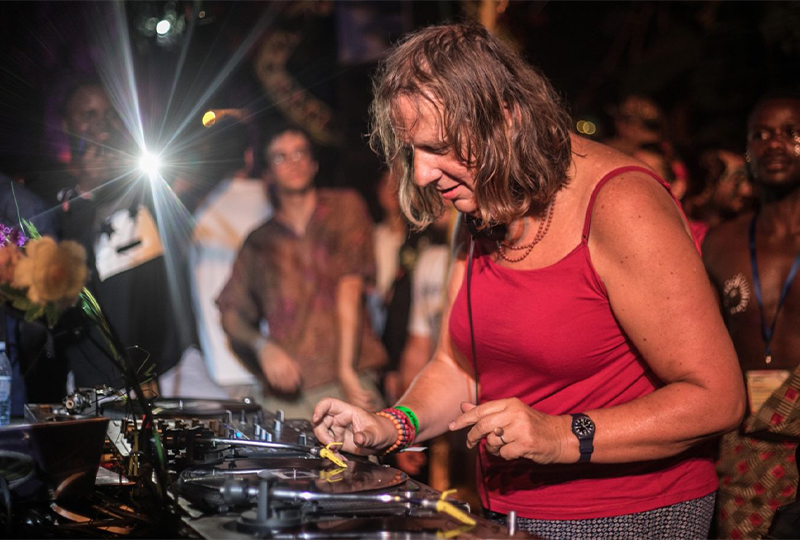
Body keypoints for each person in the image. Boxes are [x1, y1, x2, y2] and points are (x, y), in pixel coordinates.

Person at [313, 23, 744, 538]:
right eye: (413, 151)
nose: (423, 173)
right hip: (508, 512)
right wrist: (390, 426)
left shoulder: (622, 205)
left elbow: (717, 397)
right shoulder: (483, 201)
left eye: (439, 147)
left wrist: (560, 435)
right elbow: (457, 366)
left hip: (629, 516)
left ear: (506, 119)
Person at [217, 125, 387, 419]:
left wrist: (346, 370)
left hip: (350, 377)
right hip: (290, 391)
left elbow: (350, 286)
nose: (293, 163)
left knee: (365, 448)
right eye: (280, 157)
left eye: (299, 153)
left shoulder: (344, 208)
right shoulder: (259, 242)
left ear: (313, 162)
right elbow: (230, 311)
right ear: (268, 173)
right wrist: (262, 346)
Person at [46, 81, 191, 390]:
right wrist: (88, 188)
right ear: (66, 125)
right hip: (93, 374)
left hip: (160, 368)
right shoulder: (51, 195)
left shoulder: (147, 183)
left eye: (111, 114)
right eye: (89, 115)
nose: (102, 124)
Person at [703, 92, 800, 539]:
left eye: (791, 133)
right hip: (742, 451)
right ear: (746, 150)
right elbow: (703, 345)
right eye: (761, 134)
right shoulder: (721, 243)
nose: (774, 144)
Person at [161, 118, 272, 399]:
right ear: (249, 155)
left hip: (212, 370)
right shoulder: (271, 203)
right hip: (267, 364)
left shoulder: (194, 212)